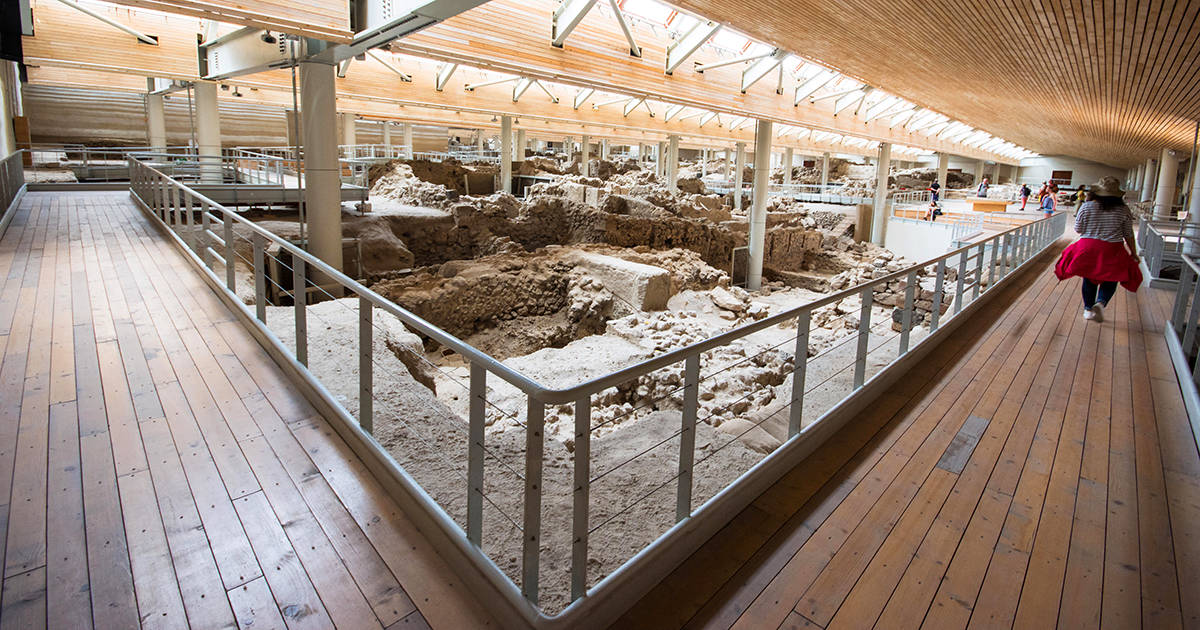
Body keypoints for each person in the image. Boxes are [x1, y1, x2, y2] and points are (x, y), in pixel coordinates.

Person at [1054, 176, 1142, 322]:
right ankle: (1101, 302)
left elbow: (1078, 228)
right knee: (1112, 278)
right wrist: (1133, 252)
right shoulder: (1123, 209)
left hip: (1088, 248)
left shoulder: (1087, 206)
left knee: (1088, 278)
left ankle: (1088, 309)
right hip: (1112, 249)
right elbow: (1128, 234)